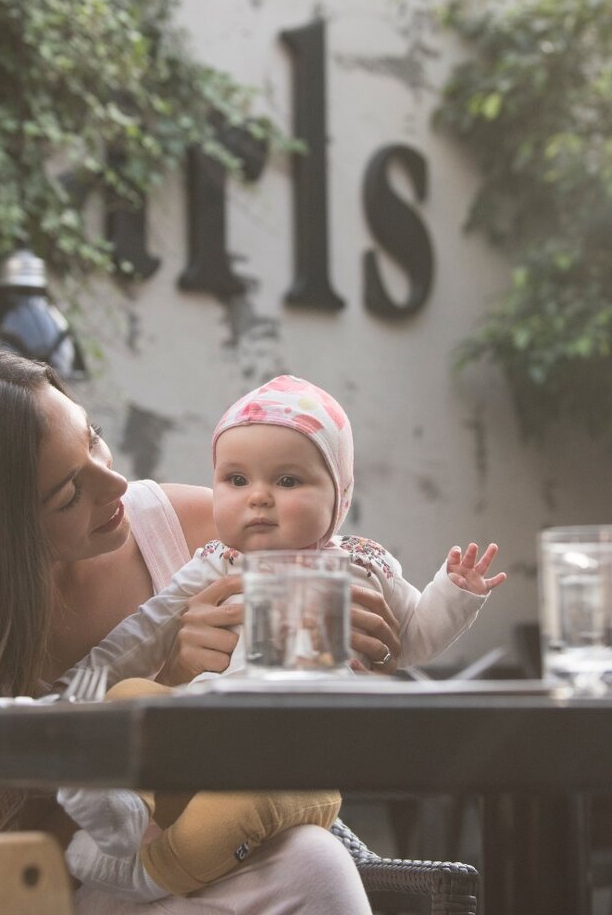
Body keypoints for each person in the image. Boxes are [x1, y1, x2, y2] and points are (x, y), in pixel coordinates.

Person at [0, 346, 404, 913]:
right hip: (66, 896)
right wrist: (169, 680)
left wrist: (348, 633)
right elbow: (25, 868)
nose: (116, 486)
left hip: (234, 876)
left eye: (93, 438)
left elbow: (338, 601)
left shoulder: (191, 532)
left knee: (308, 862)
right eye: (72, 492)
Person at [57, 373, 506, 902]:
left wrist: (455, 591)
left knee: (242, 806)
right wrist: (73, 691)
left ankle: (148, 872)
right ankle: (125, 812)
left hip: (292, 756)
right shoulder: (215, 564)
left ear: (338, 496)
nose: (260, 499)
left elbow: (415, 637)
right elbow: (142, 636)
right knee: (126, 699)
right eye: (237, 480)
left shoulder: (361, 565)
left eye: (288, 482)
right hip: (203, 727)